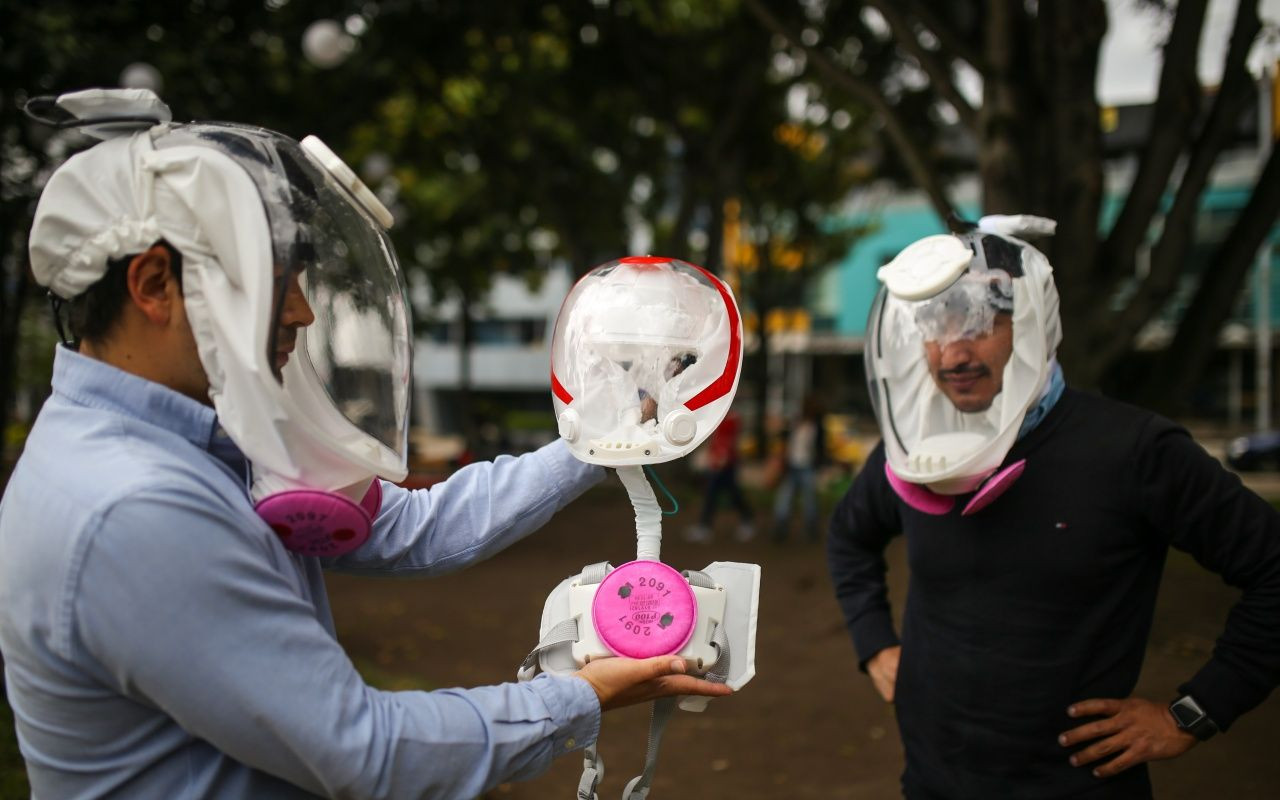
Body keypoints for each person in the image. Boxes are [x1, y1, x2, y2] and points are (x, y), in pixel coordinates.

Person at [0, 89, 729, 799]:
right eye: (270, 283)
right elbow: (363, 752)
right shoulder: (137, 507)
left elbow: (414, 527)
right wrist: (580, 697)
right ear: (155, 284)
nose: (302, 312)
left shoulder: (207, 444)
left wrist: (607, 432)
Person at [826, 217, 1280, 799]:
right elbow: (849, 535)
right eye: (937, 323)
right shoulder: (917, 452)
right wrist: (874, 644)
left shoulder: (1133, 452)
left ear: (1035, 322)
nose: (956, 351)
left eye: (984, 319)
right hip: (932, 782)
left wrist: (1192, 713)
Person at [685, 405, 754, 543]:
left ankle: (745, 521)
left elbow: (730, 440)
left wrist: (723, 457)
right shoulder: (718, 416)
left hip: (726, 464)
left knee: (727, 494)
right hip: (718, 463)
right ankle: (745, 521)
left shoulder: (732, 418)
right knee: (719, 494)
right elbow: (716, 439)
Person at [771, 396, 827, 543]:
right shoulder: (796, 422)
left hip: (806, 467)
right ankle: (780, 531)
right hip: (792, 467)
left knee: (809, 502)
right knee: (784, 500)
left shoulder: (817, 426)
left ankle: (812, 531)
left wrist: (819, 464)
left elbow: (821, 448)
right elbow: (784, 437)